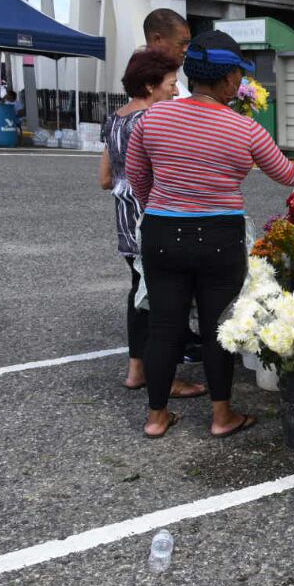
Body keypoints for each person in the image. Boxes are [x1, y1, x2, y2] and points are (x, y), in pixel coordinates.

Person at [126, 30, 294, 439]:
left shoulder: (152, 118)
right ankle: (221, 416)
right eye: (239, 76)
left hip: (162, 230)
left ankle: (156, 417)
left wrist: (163, 204)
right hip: (218, 235)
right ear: (229, 80)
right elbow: (287, 173)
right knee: (219, 326)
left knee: (163, 325)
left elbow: (138, 176)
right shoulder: (245, 128)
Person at [99, 49, 204, 401]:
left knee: (139, 293)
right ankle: (167, 379)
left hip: (125, 221)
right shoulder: (151, 121)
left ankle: (137, 370)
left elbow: (105, 178)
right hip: (153, 221)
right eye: (171, 83)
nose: (175, 90)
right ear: (149, 85)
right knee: (166, 303)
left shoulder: (115, 119)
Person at [142, 9, 192, 97]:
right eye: (181, 43)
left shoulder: (170, 80)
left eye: (187, 43)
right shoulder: (142, 84)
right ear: (157, 40)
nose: (186, 49)